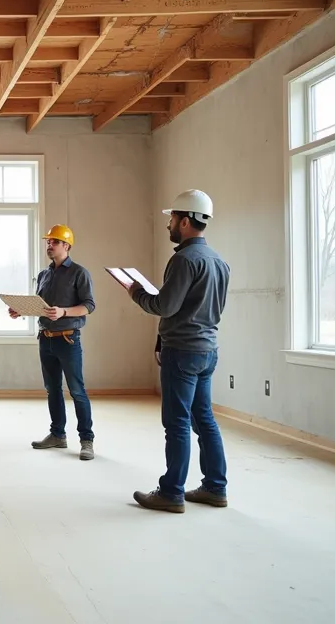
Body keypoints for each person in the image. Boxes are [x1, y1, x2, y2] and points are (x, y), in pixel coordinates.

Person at [122, 189, 230, 513]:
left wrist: (136, 292)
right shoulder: (219, 261)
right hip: (207, 351)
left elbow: (165, 306)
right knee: (204, 419)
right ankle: (215, 487)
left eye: (172, 218)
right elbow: (201, 308)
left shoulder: (183, 260)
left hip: (182, 352)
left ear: (184, 221)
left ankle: (171, 493)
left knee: (178, 422)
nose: (168, 224)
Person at [11, 224, 97, 461]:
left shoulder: (79, 273)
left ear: (67, 246)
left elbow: (89, 306)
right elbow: (42, 307)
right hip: (45, 339)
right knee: (52, 389)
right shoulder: (44, 275)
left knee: (77, 390)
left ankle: (87, 440)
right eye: (48, 242)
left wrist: (64, 312)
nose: (49, 245)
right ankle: (58, 434)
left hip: (68, 339)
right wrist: (21, 310)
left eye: (55, 242)